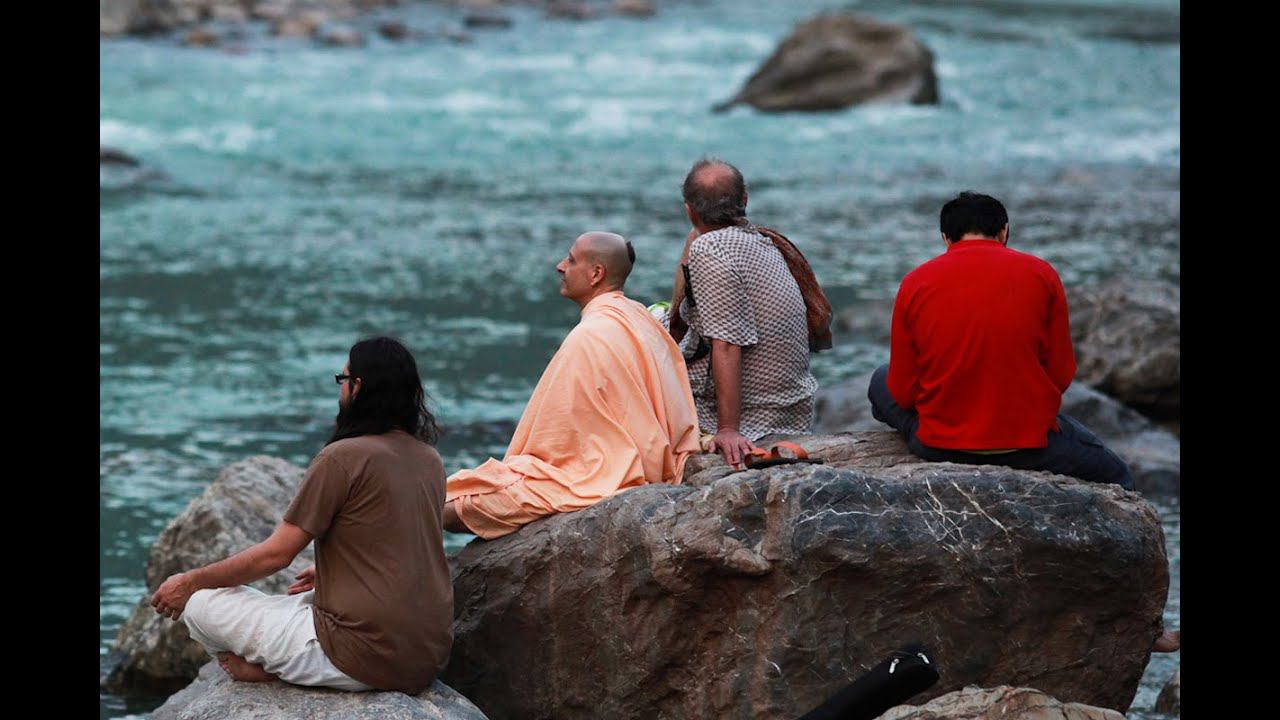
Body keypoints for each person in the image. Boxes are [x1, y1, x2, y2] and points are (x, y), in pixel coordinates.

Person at [150, 337, 453, 693]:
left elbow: (276, 555)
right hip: (426, 656)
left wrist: (190, 582)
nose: (340, 389)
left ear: (358, 387)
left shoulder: (341, 457)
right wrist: (334, 572)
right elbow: (406, 545)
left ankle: (271, 672)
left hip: (362, 657)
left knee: (201, 604)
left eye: (343, 379)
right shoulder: (429, 459)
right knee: (296, 600)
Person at [868, 191, 1135, 489]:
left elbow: (903, 392)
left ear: (945, 237)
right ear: (1004, 231)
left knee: (881, 379)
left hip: (938, 445)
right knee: (1118, 476)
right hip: (1031, 447)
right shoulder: (1042, 274)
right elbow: (1061, 373)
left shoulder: (915, 281)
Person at [444, 232, 701, 540]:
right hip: (649, 460)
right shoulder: (639, 317)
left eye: (571, 260)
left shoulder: (590, 335)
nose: (560, 266)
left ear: (596, 274)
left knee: (446, 508)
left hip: (601, 473)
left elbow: (557, 443)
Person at [666, 158, 820, 467]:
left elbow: (726, 343)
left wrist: (728, 430)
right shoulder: (762, 241)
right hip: (793, 408)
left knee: (627, 345)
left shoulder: (710, 250)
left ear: (689, 211)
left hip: (756, 417)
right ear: (745, 200)